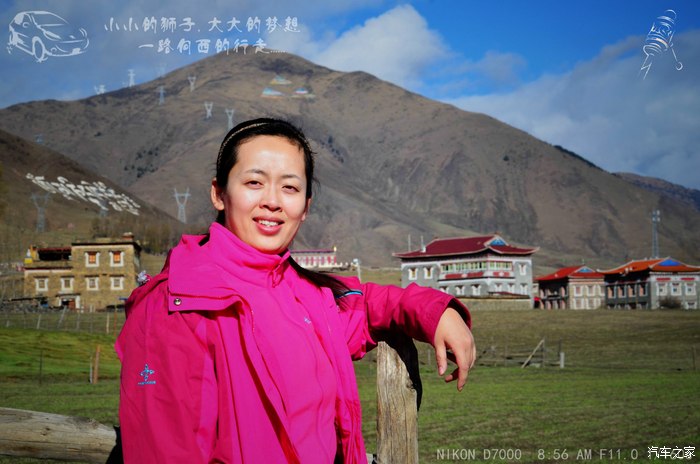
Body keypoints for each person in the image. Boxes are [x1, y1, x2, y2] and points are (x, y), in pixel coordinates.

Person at [116, 118, 475, 463]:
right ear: (219, 193)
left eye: (289, 187)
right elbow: (166, 452)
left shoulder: (309, 297)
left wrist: (437, 312)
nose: (272, 201)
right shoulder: (177, 305)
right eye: (254, 182)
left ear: (305, 207)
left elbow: (365, 305)